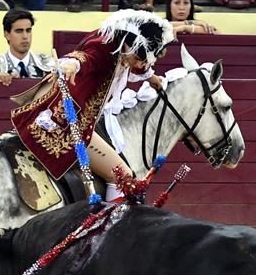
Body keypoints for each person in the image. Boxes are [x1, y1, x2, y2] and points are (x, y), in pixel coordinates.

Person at [10, 10, 173, 201]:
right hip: (65, 122)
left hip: (71, 116)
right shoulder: (104, 47)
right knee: (123, 176)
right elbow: (86, 58)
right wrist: (72, 64)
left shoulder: (124, 44)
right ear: (126, 43)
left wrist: (151, 77)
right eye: (138, 57)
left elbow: (140, 65)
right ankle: (110, 225)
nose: (138, 63)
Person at [0, 9, 56, 85]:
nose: (25, 36)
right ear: (7, 35)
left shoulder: (49, 64)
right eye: (19, 31)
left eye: (28, 31)